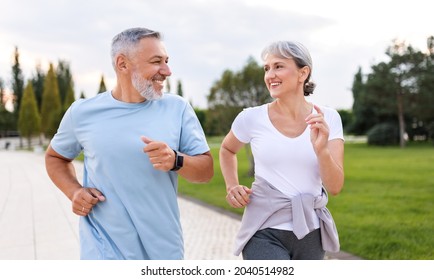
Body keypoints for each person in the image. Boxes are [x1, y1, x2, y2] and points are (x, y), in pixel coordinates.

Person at [45, 27, 213, 260]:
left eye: (166, 61)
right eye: (156, 62)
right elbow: (55, 157)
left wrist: (176, 160)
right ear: (122, 64)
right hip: (103, 250)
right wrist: (74, 192)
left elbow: (205, 171)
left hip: (163, 250)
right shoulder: (82, 113)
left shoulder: (178, 109)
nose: (167, 71)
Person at [219, 41, 344, 260]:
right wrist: (232, 186)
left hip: (311, 232)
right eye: (266, 68)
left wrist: (321, 149)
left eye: (278, 66)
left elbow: (334, 187)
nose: (270, 75)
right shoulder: (251, 118)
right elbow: (227, 149)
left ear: (302, 73)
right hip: (263, 230)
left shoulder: (328, 119)